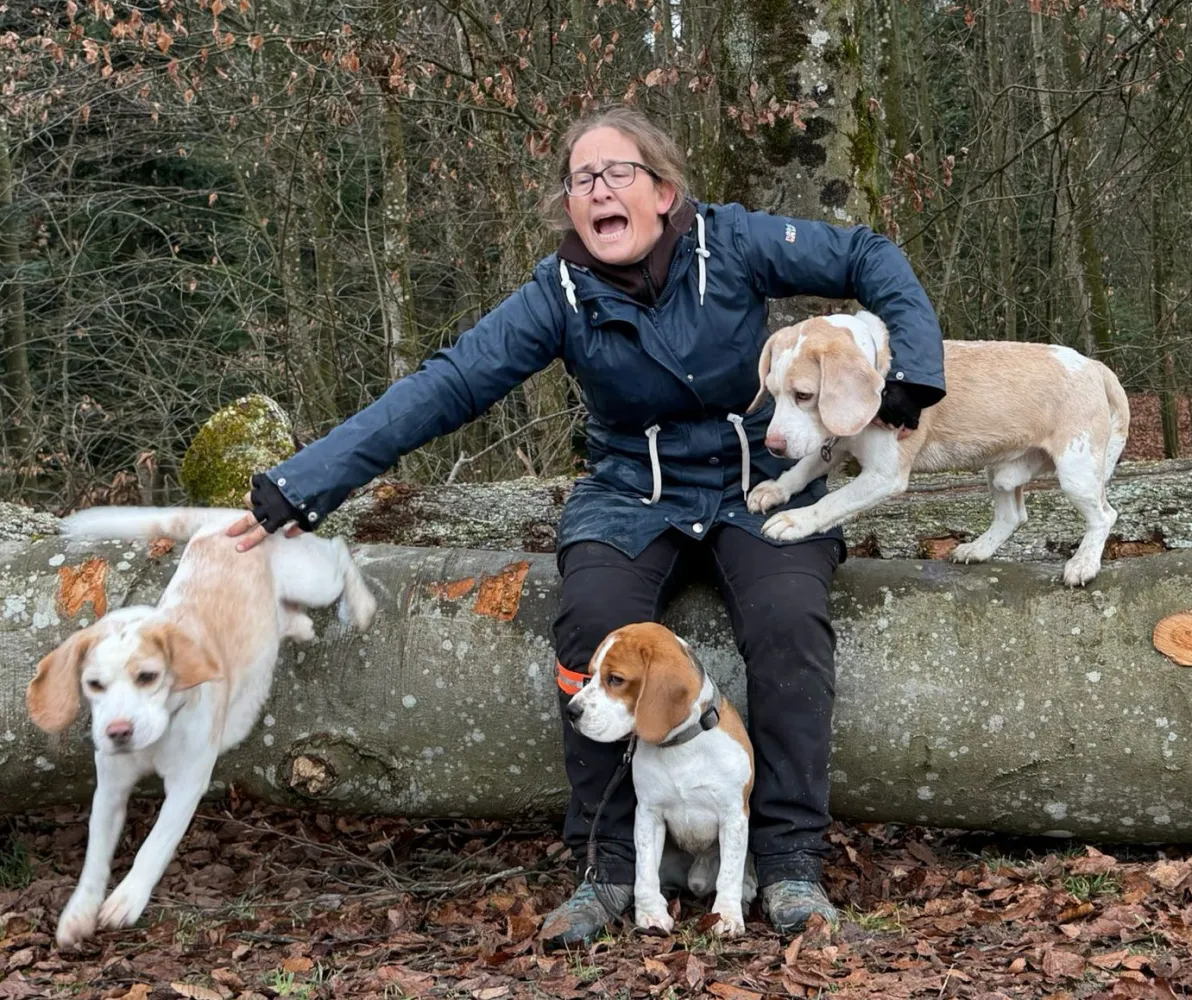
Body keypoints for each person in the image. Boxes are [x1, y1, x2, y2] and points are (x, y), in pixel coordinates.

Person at [228, 106, 945, 945]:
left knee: (790, 620)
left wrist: (912, 375)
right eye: (582, 179)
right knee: (591, 618)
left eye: (618, 173)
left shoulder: (733, 241)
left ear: (664, 191)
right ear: (569, 206)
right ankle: (607, 868)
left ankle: (789, 863)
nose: (599, 189)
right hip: (629, 492)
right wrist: (301, 486)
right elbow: (447, 385)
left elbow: (868, 255)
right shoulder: (557, 294)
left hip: (760, 483)